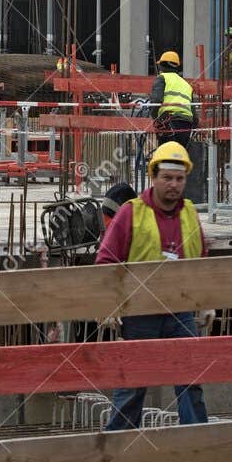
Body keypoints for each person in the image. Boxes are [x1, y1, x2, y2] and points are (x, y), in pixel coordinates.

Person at [98, 142, 209, 429]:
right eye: (167, 178)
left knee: (190, 381)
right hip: (140, 313)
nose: (173, 185)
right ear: (153, 177)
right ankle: (118, 448)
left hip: (180, 311)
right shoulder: (131, 213)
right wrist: (110, 305)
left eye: (179, 179)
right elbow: (106, 261)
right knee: (132, 387)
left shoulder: (189, 214)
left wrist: (206, 300)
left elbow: (202, 262)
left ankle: (197, 445)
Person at [148, 49, 196, 155]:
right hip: (186, 125)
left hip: (168, 123)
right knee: (179, 156)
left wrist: (155, 117)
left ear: (163, 66)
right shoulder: (187, 85)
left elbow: (156, 101)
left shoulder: (162, 78)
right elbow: (194, 114)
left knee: (166, 155)